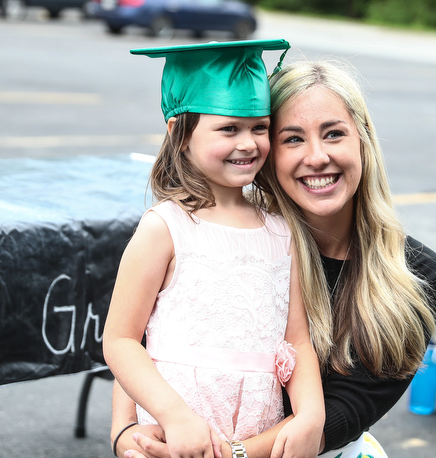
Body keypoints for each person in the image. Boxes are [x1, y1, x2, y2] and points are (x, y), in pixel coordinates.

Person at [111, 59, 436, 458]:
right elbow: (146, 337)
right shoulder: (207, 232)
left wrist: (224, 455)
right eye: (292, 138)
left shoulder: (416, 275)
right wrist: (127, 435)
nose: (317, 156)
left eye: (334, 134)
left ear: (363, 138)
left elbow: (344, 412)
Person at [103, 40, 325, 458]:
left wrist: (311, 415)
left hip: (257, 429)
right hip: (175, 434)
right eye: (229, 128)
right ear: (179, 134)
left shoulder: (282, 231)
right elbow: (120, 340)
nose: (248, 143)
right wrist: (173, 416)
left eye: (260, 127)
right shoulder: (165, 228)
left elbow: (296, 340)